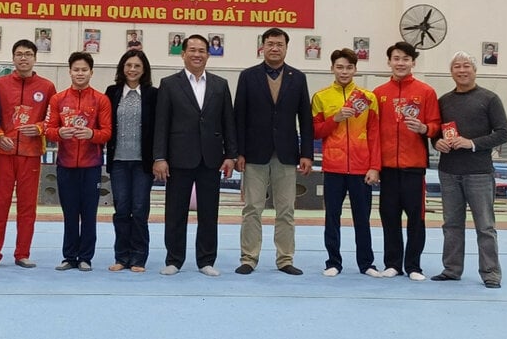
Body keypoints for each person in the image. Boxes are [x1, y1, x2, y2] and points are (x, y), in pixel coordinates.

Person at [153, 34, 237, 277]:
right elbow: (162, 124)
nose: (197, 54)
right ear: (183, 54)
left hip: (211, 158)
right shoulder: (169, 84)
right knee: (175, 212)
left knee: (209, 213)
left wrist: (231, 154)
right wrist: (160, 157)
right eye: (192, 50)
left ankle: (206, 260)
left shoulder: (220, 85)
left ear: (208, 55)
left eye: (202, 50)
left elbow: (228, 122)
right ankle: (174, 259)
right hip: (178, 158)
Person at [233, 28, 313, 276]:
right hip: (255, 153)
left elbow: (306, 119)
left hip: (287, 153)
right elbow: (239, 117)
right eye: (270, 44)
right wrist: (239, 152)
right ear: (262, 47)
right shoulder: (248, 76)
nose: (275, 48)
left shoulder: (297, 78)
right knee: (252, 208)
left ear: (286, 48)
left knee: (286, 210)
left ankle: (285, 258)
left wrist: (306, 153)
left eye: (279, 44)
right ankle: (249, 257)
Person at [431, 51, 507, 289]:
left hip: (479, 173)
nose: (462, 70)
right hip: (448, 171)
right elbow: (435, 131)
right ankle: (452, 269)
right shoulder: (443, 101)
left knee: (485, 226)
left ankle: (491, 272)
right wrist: (436, 143)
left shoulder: (490, 98)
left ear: (475, 70)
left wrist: (471, 143)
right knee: (451, 224)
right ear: (451, 71)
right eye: (457, 66)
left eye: (466, 66)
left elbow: (503, 133)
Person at [0, 40, 56, 270]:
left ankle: (22, 253)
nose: (24, 58)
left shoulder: (47, 87)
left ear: (35, 58)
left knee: (27, 207)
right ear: (13, 58)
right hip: (5, 152)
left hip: (31, 154)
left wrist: (41, 129)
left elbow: (52, 119)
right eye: (19, 54)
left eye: (28, 54)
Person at [373, 41, 441, 281]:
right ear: (389, 62)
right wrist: (375, 165)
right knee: (389, 216)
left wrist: (424, 127)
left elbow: (436, 126)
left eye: (405, 59)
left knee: (416, 218)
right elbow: (373, 133)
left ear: (413, 62)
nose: (400, 63)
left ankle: (413, 265)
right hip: (388, 168)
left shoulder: (426, 92)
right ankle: (392, 263)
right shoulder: (379, 94)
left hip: (414, 167)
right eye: (396, 58)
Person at [311, 48, 381, 278]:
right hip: (333, 167)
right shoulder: (321, 97)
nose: (344, 71)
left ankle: (366, 263)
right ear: (332, 68)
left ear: (355, 70)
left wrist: (374, 166)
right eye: (339, 67)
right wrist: (336, 119)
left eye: (349, 67)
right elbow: (315, 131)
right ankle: (333, 262)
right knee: (332, 217)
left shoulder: (368, 98)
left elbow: (374, 134)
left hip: (362, 168)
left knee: (363, 218)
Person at [45, 52, 112, 272]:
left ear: (91, 72)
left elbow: (107, 133)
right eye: (76, 69)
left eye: (84, 70)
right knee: (70, 212)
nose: (80, 73)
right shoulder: (58, 99)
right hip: (65, 165)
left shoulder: (101, 100)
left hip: (91, 166)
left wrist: (91, 134)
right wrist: (60, 133)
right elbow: (49, 130)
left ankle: (85, 257)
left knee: (89, 213)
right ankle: (69, 256)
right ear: (70, 72)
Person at [104, 50, 158, 273]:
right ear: (122, 68)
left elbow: (158, 129)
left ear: (144, 69)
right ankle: (121, 257)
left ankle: (138, 258)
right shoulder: (112, 92)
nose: (132, 70)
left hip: (142, 163)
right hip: (118, 161)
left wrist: (158, 158)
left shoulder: (153, 94)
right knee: (122, 210)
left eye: (137, 66)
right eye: (128, 65)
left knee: (139, 210)